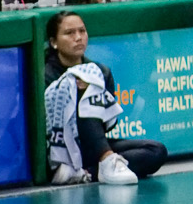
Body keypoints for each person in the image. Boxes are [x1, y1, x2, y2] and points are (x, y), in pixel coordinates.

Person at [43, 10, 166, 184]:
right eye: (69, 33)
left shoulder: (99, 71)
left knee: (156, 150)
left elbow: (107, 124)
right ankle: (105, 160)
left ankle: (86, 173)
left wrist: (93, 88)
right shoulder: (43, 74)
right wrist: (77, 92)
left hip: (91, 146)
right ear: (54, 42)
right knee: (84, 95)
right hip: (61, 149)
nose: (78, 37)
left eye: (82, 31)